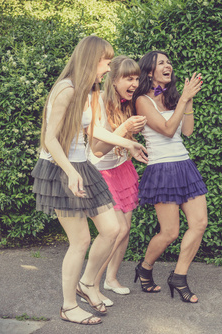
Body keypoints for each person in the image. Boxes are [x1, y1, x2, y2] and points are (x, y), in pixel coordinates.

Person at [31, 36, 147, 325]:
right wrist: (70, 172)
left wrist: (128, 143)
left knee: (113, 228)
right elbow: (50, 140)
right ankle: (69, 306)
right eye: (106, 62)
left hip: (82, 165)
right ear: (92, 60)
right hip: (60, 169)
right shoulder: (65, 89)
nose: (108, 69)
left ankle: (87, 283)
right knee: (80, 240)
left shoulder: (89, 91)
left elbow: (94, 129)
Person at [132, 50, 208, 303]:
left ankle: (179, 276)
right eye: (161, 63)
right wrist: (184, 98)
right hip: (161, 169)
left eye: (168, 62)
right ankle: (144, 267)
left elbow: (186, 131)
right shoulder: (143, 99)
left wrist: (187, 101)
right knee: (170, 233)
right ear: (149, 71)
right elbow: (166, 130)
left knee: (199, 223)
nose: (168, 65)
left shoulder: (174, 97)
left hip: (184, 165)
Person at [85, 55, 147, 306]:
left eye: (136, 78)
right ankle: (92, 285)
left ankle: (111, 278)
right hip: (101, 172)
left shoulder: (127, 103)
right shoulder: (97, 102)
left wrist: (134, 128)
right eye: (128, 78)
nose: (134, 83)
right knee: (114, 230)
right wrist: (125, 130)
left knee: (125, 230)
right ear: (113, 81)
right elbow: (97, 150)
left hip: (123, 170)